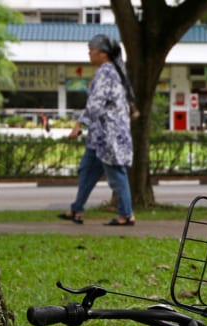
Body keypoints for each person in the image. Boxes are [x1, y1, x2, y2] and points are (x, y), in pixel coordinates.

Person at [58, 34, 136, 226]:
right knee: (87, 170)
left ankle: (126, 215)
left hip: (109, 135)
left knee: (116, 173)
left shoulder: (106, 72)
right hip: (99, 134)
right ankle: (76, 209)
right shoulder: (113, 71)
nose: (89, 54)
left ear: (103, 54)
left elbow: (95, 104)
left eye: (91, 51)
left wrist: (78, 124)